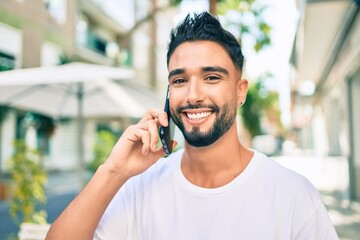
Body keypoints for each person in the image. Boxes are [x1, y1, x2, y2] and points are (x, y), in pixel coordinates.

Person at [46, 12, 338, 240]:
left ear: (240, 91)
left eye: (212, 77)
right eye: (180, 80)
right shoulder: (138, 187)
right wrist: (113, 170)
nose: (193, 95)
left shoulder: (293, 195)